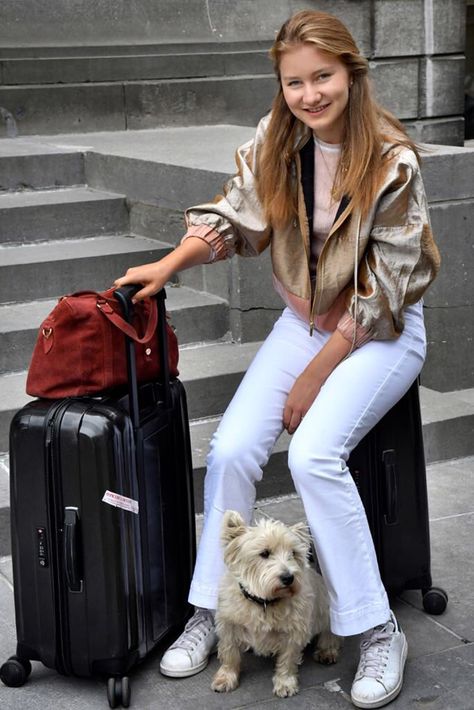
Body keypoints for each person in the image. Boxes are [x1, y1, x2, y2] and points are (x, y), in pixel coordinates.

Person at [114, 10, 440, 709]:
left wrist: (315, 378)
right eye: (295, 81)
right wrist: (170, 264)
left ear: (352, 73)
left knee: (313, 453)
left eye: (323, 76)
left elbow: (386, 287)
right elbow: (236, 217)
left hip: (381, 328)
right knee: (231, 449)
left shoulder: (392, 158)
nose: (310, 93)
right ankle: (213, 610)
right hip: (306, 320)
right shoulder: (277, 140)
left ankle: (377, 629)